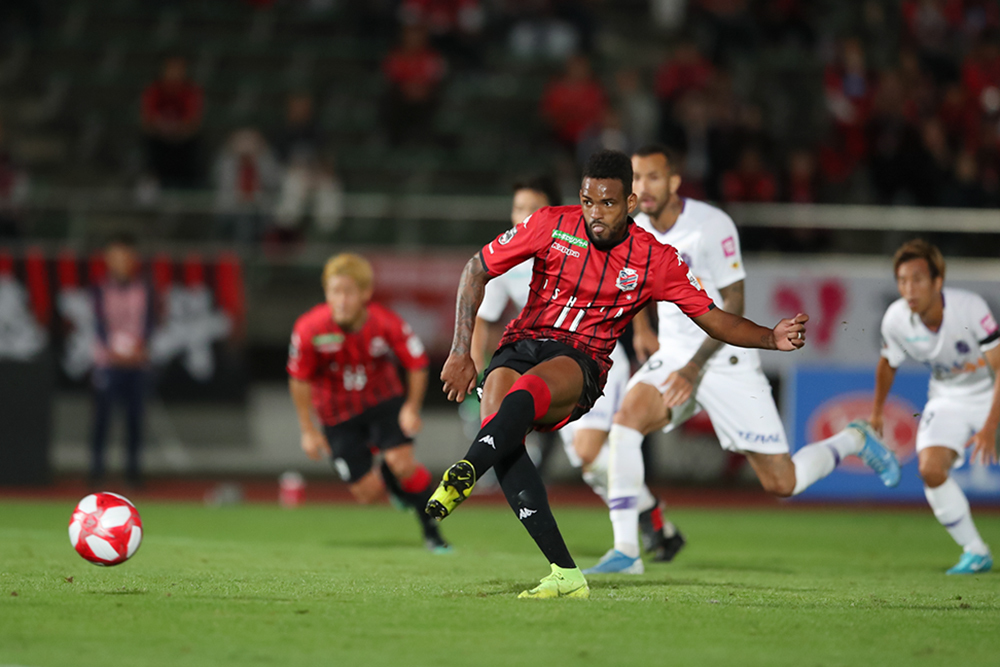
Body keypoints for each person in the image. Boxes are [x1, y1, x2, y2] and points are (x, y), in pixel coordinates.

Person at [427, 149, 809, 599]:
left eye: (607, 203)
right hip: (522, 342)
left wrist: (770, 337)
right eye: (588, 201)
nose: (595, 213)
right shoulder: (550, 222)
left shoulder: (656, 260)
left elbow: (714, 317)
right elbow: (476, 270)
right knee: (502, 430)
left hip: (579, 359)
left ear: (629, 203)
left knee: (524, 397)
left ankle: (468, 468)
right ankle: (565, 574)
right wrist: (459, 351)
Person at [585, 145, 901, 574]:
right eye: (637, 179)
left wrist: (694, 366)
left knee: (782, 482)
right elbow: (634, 278)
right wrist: (643, 330)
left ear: (675, 181)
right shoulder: (635, 228)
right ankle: (626, 551)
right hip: (675, 353)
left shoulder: (711, 226)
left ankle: (854, 439)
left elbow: (735, 299)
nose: (644, 187)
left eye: (653, 177)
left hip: (725, 357)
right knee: (625, 425)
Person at [471, 176, 684, 569]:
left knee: (587, 453)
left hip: (587, 360)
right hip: (539, 362)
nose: (524, 216)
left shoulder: (573, 241)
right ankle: (651, 515)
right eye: (517, 209)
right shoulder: (511, 255)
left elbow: (627, 286)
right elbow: (483, 313)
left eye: (532, 208)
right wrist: (474, 361)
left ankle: (633, 536)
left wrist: (641, 331)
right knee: (589, 464)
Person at [287, 253, 449, 553]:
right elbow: (299, 378)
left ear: (365, 293)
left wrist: (411, 407)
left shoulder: (386, 323)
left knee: (403, 464)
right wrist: (307, 429)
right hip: (336, 416)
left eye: (348, 292)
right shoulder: (309, 329)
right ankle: (391, 481)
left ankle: (432, 531)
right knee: (367, 493)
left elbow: (417, 363)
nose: (342, 300)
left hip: (382, 404)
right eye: (335, 291)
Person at [872, 239, 999, 575]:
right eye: (902, 281)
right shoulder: (896, 319)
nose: (908, 289)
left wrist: (988, 427)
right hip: (948, 397)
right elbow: (888, 363)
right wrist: (876, 411)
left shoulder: (970, 308)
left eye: (917, 279)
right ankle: (976, 551)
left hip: (991, 390)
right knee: (930, 469)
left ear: (937, 281)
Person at [90, 234, 156, 487]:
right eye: (114, 257)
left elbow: (150, 323)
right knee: (102, 418)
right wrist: (112, 350)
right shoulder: (100, 288)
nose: (120, 262)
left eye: (124, 257)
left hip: (137, 363)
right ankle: (96, 470)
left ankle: (133, 471)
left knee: (135, 419)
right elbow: (98, 324)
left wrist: (139, 348)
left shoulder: (144, 288)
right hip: (108, 362)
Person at [141, 56, 204, 189]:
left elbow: (193, 120)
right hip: (158, 143)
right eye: (171, 69)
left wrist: (176, 128)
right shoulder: (154, 90)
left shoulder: (190, 91)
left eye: (178, 69)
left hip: (184, 144)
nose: (174, 73)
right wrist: (162, 127)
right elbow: (147, 117)